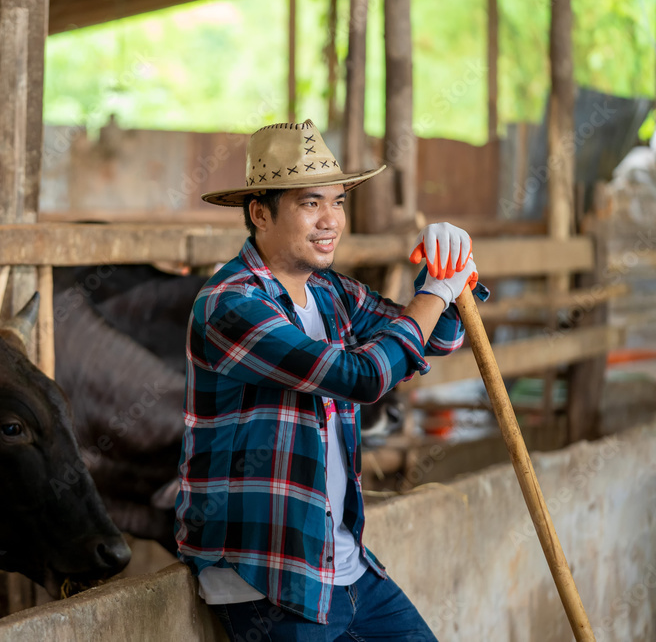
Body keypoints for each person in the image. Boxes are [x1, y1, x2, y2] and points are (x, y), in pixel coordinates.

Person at [174, 119, 488, 641]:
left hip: (344, 562)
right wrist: (436, 291)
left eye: (339, 202)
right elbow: (363, 377)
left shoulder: (331, 292)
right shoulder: (230, 303)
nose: (331, 221)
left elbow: (435, 338)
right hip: (268, 577)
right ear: (259, 213)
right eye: (310, 203)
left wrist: (453, 273)